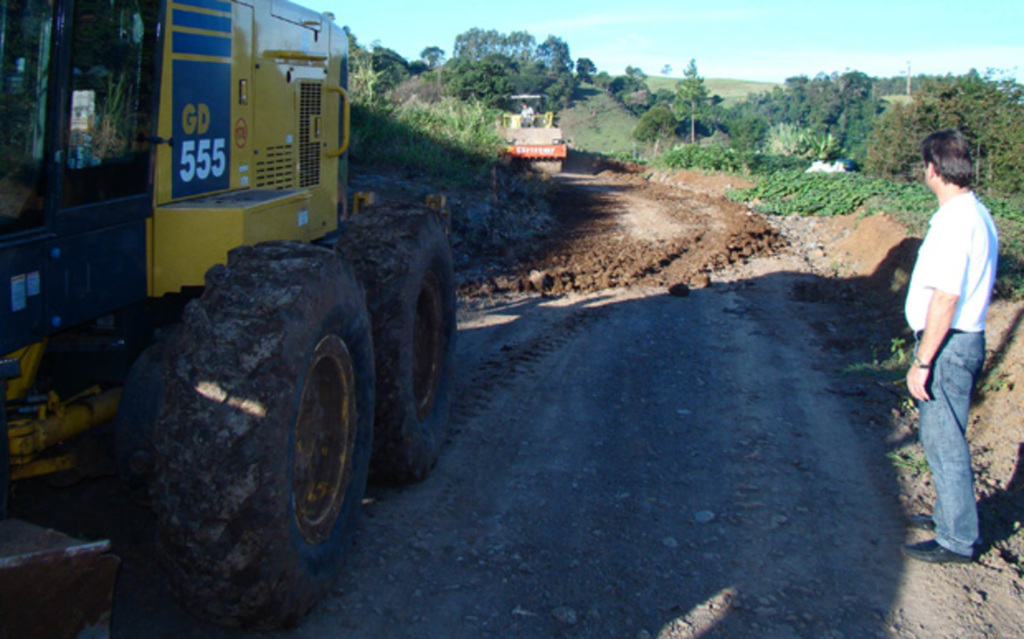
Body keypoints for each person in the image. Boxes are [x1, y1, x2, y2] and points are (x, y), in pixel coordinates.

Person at [903, 129, 999, 564]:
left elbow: (946, 296)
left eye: (926, 165)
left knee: (944, 441)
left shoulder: (957, 221)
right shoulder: (974, 214)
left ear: (933, 169)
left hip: (949, 344)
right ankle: (950, 518)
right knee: (941, 435)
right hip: (959, 340)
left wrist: (923, 361)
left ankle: (957, 539)